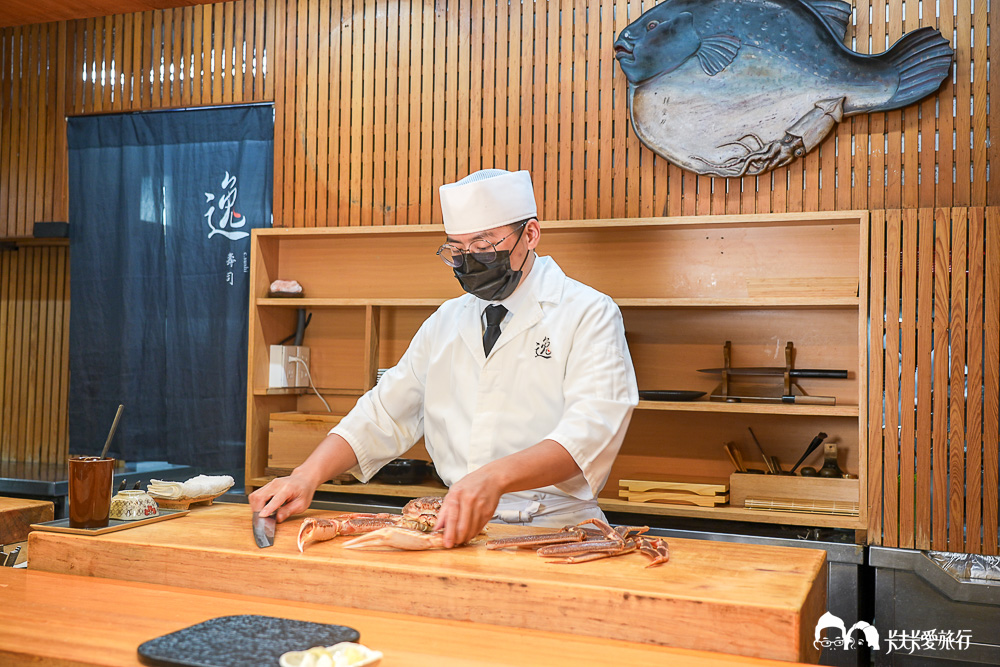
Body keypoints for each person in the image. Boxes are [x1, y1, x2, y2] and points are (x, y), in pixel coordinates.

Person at [249, 169, 638, 548]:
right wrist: (305, 476)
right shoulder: (446, 320)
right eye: (457, 249)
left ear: (531, 234)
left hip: (556, 528)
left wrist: (493, 478)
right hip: (452, 526)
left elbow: (588, 433)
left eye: (484, 247)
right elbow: (383, 413)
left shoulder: (589, 312)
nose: (470, 260)